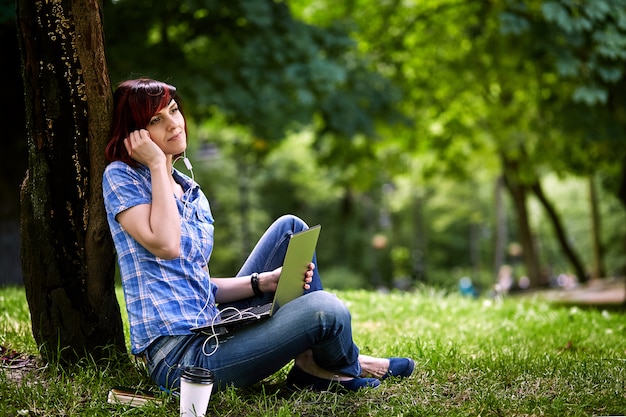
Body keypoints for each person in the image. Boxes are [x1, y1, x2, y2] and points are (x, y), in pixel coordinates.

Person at [102, 78, 414, 393]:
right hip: (182, 359)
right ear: (136, 134)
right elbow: (167, 246)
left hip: (211, 327)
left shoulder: (188, 189)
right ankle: (344, 369)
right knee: (327, 310)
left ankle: (313, 364)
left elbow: (195, 284)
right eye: (156, 120)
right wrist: (156, 164)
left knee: (291, 229)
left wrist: (262, 282)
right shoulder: (122, 178)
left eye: (173, 110)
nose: (174, 124)